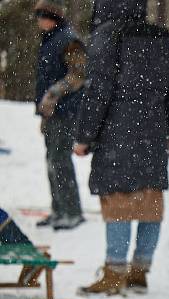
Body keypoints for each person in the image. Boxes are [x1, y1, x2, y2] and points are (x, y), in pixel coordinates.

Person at [73, 0, 169, 296]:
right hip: (153, 131)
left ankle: (114, 273)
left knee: (118, 200)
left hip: (116, 132)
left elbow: (98, 91)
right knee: (150, 200)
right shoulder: (163, 37)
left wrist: (85, 136)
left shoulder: (108, 36)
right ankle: (139, 271)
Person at [33, 0, 86, 231]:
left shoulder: (68, 40)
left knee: (61, 161)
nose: (38, 21)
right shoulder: (50, 41)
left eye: (41, 16)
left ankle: (72, 212)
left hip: (66, 112)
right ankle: (58, 210)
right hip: (52, 114)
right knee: (52, 162)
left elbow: (79, 74)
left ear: (51, 17)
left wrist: (55, 92)